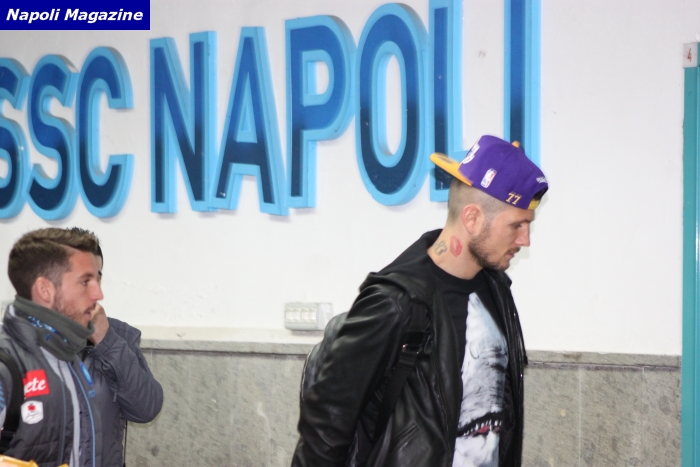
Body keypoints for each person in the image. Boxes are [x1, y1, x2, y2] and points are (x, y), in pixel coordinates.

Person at [292, 135, 549, 467]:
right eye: (516, 225)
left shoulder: (495, 289)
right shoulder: (395, 302)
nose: (525, 240)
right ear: (472, 218)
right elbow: (325, 427)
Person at [1, 228, 104, 466]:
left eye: (97, 280)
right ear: (45, 290)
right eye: (85, 281)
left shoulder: (68, 356)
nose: (98, 294)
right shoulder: (6, 364)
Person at [73, 229, 163, 467]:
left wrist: (106, 340)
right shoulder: (20, 339)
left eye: (96, 277)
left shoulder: (120, 336)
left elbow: (146, 409)